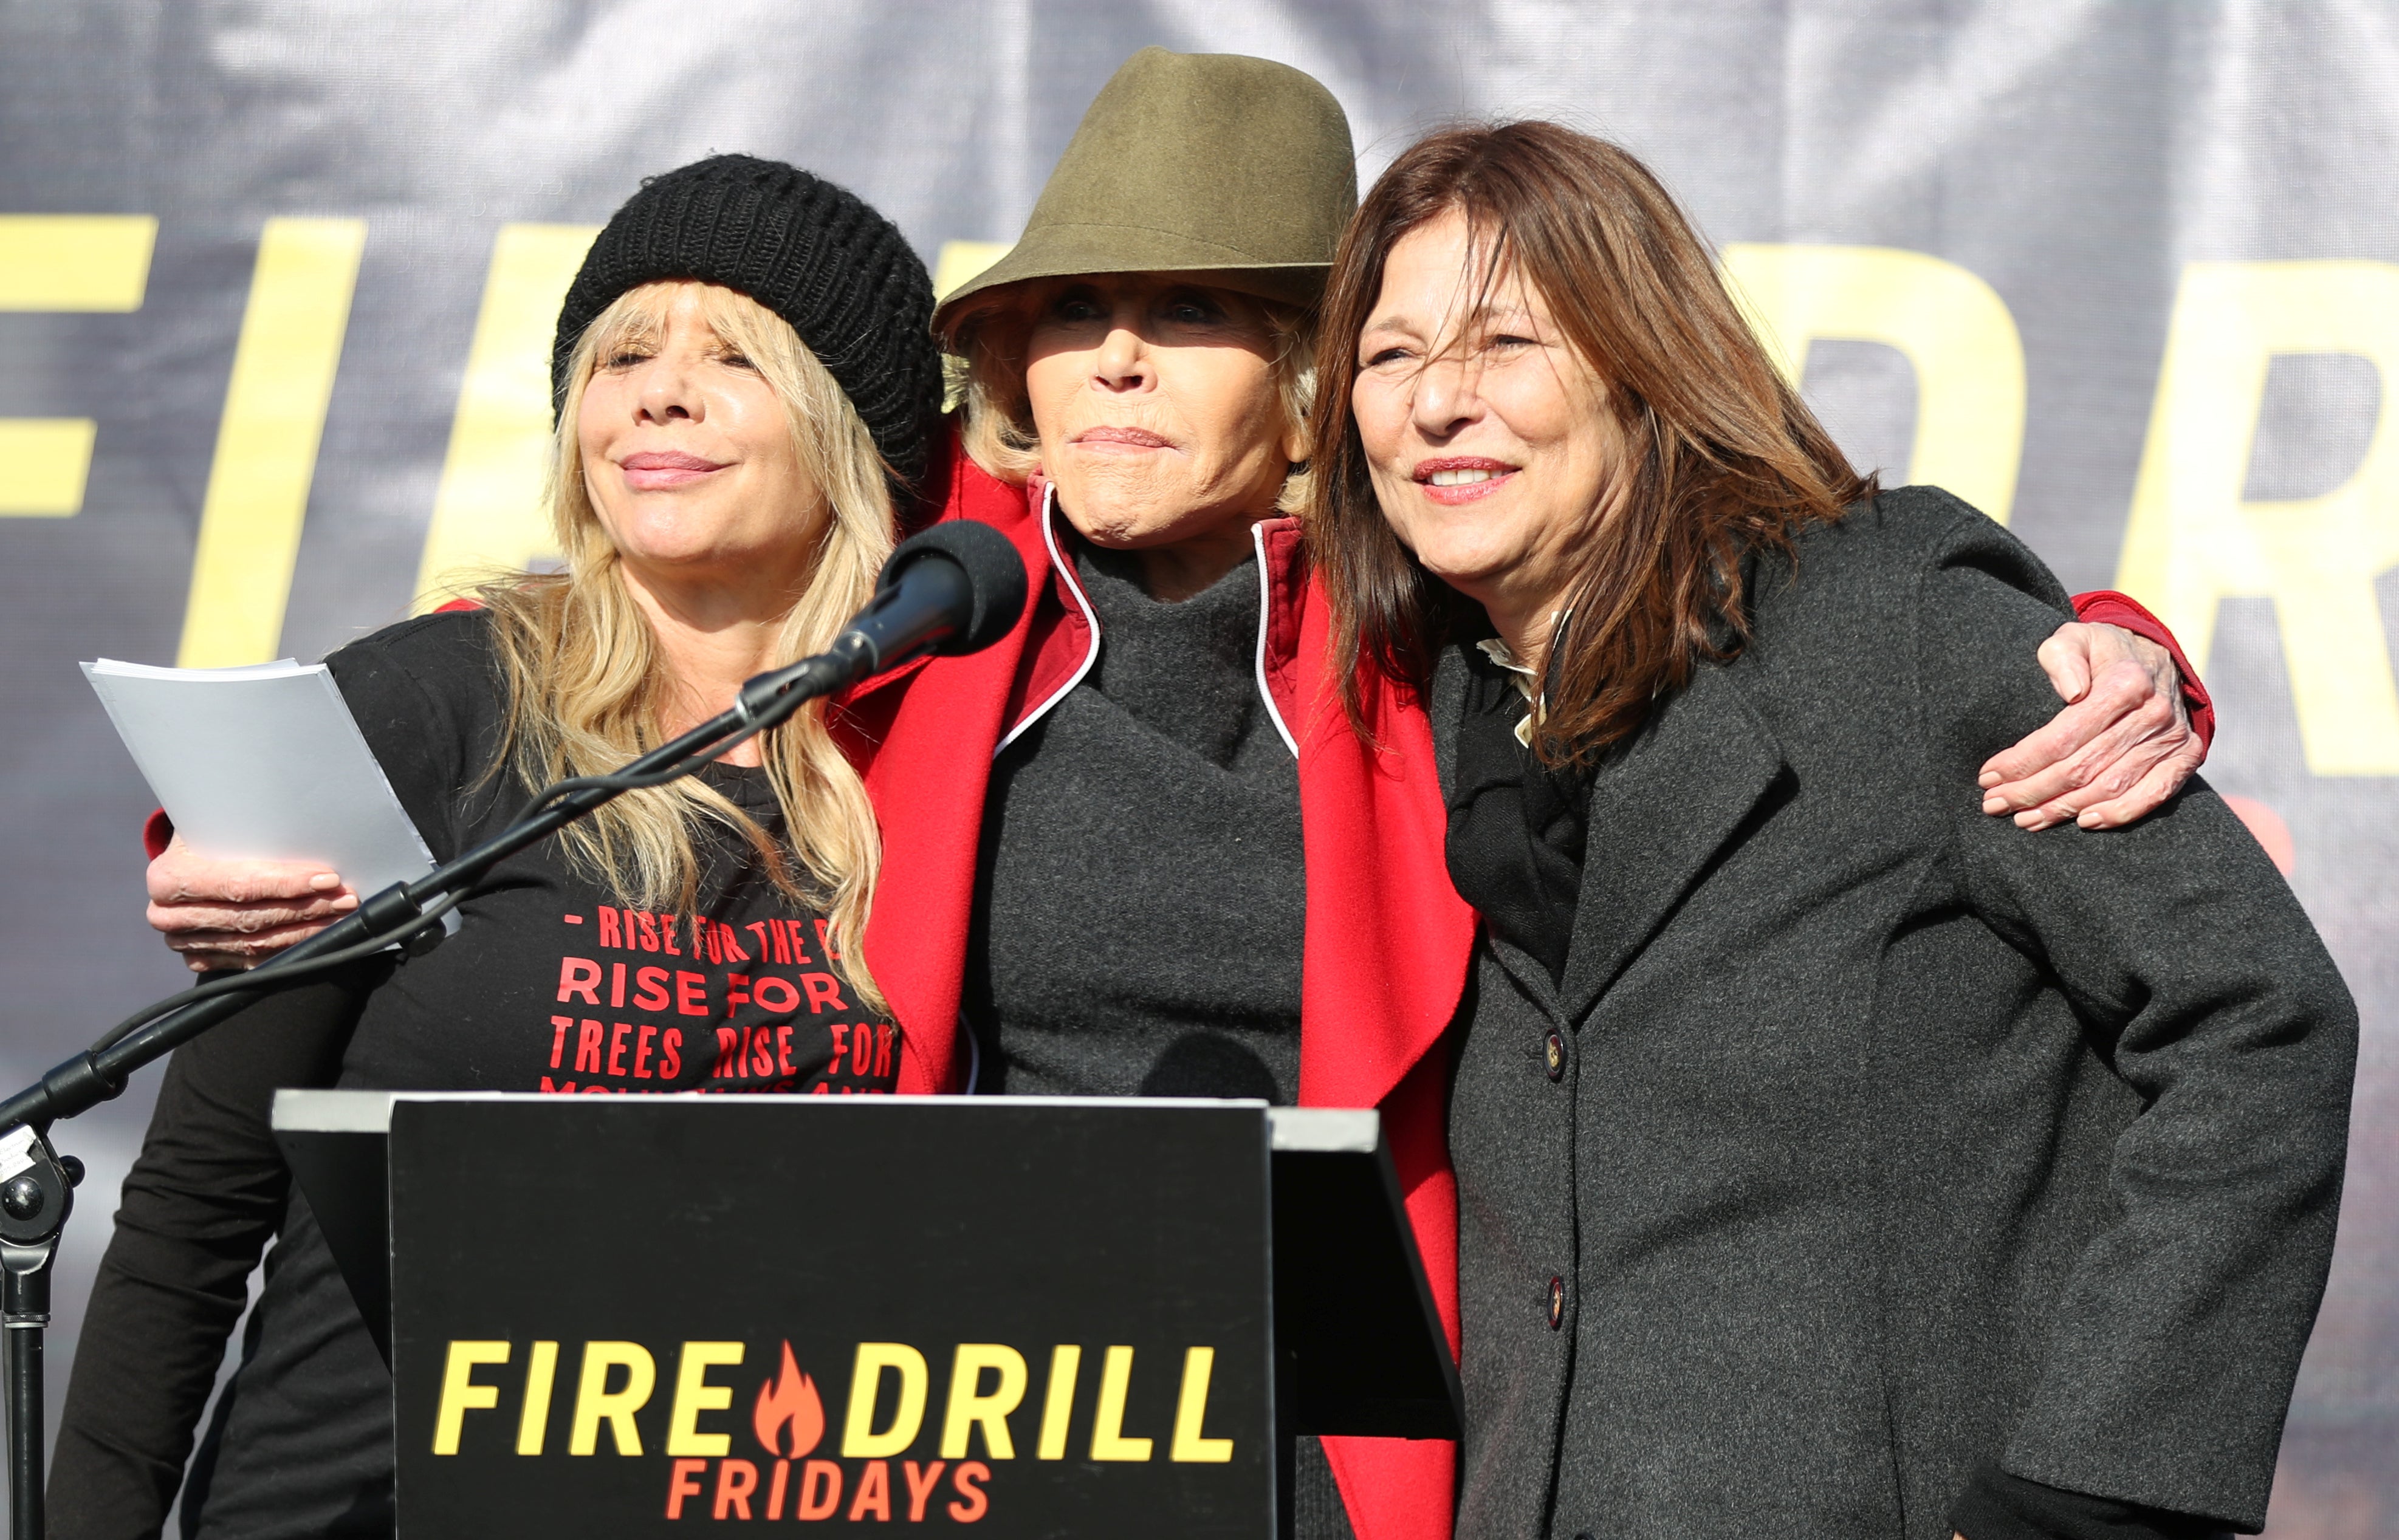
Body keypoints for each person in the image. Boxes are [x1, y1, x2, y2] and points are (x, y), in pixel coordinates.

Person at [132, 51, 2210, 1540]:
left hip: (1333, 1412)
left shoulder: (1439, 625)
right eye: (1069, 321)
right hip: (966, 1414)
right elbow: (622, 591)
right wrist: (221, 826)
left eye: (1192, 314)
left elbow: (1780, 573)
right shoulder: (938, 588)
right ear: (1008, 380)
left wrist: (2102, 629)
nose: (1115, 362)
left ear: (1310, 382)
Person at [1306, 120, 2356, 1540]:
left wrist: (2091, 1494)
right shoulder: (1397, 714)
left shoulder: (1887, 620)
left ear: (1641, 359)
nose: (1439, 403)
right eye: (1391, 355)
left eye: (1504, 342)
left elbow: (2260, 1016)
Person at [53, 155, 947, 1539]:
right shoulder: (427, 703)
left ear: (852, 429)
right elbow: (190, 1214)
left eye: (738, 356)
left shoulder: (931, 761)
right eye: (623, 352)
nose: (658, 388)